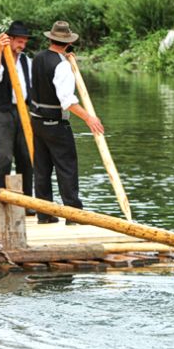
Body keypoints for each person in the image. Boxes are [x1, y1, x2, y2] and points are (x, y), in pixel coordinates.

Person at [29, 21, 104, 225]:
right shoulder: (61, 65)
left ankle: (44, 213)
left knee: (42, 169)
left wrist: (67, 60)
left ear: (51, 39)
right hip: (55, 124)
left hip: (36, 121)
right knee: (67, 167)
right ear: (67, 43)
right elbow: (67, 100)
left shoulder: (37, 58)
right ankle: (73, 214)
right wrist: (89, 117)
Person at [0, 21, 35, 213]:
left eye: (24, 42)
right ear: (10, 40)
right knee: (4, 158)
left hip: (23, 113)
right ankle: (0, 200)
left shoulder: (26, 61)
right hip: (2, 112)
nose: (22, 45)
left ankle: (27, 203)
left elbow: (32, 86)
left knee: (26, 157)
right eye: (19, 41)